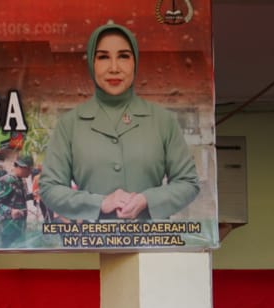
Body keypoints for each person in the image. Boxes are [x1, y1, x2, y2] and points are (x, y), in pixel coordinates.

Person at [39, 21, 199, 222]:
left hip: (151, 239)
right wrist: (99, 203)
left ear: (135, 62)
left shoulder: (162, 120)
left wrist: (147, 200)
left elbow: (188, 182)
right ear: (92, 63)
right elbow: (50, 188)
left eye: (123, 56)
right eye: (103, 57)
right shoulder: (70, 124)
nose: (114, 68)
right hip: (91, 238)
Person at [0, 154, 35, 245]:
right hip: (8, 227)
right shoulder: (6, 181)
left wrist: (32, 196)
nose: (30, 172)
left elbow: (17, 198)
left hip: (19, 226)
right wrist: (10, 211)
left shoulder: (20, 180)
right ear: (21, 167)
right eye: (29, 169)